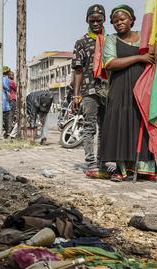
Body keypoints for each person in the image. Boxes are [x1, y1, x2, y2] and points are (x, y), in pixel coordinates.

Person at [100, 5, 157, 181]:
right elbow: (109, 63)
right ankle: (121, 170)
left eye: (123, 19)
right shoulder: (111, 40)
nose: (119, 23)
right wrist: (139, 58)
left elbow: (155, 57)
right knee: (121, 124)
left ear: (132, 20)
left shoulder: (145, 37)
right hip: (119, 88)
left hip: (142, 88)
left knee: (140, 123)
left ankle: (145, 169)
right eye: (115, 21)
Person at [72, 4, 109, 179]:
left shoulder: (111, 41)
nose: (95, 23)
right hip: (89, 90)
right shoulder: (81, 42)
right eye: (92, 20)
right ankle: (91, 162)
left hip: (108, 90)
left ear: (104, 20)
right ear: (87, 20)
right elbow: (78, 70)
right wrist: (76, 94)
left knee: (104, 128)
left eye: (98, 20)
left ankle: (102, 161)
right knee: (89, 127)